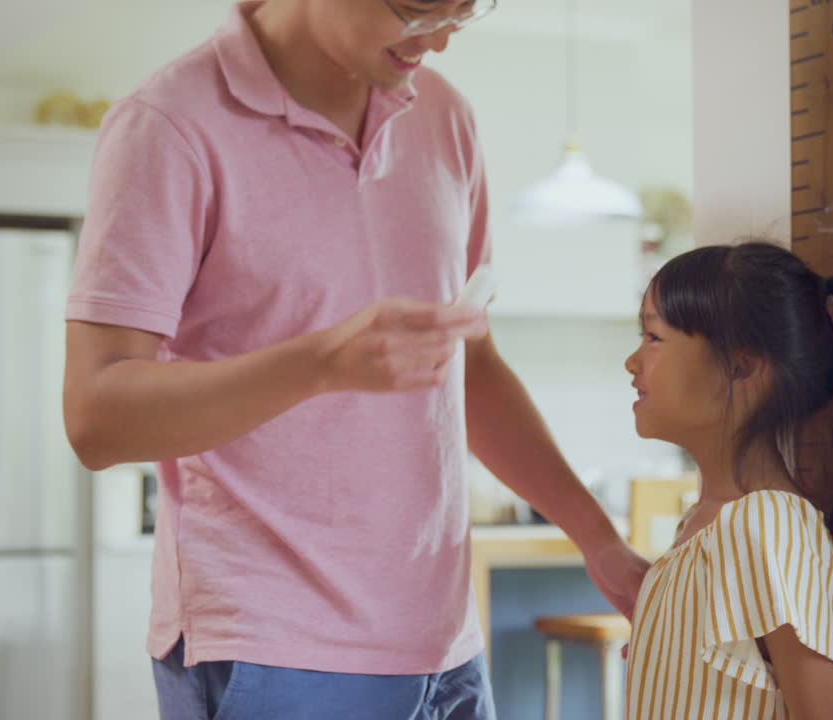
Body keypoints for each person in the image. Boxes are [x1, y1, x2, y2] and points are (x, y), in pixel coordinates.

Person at [61, 1, 648, 717]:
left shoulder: (445, 118)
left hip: (448, 650)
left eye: (462, 14)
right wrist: (320, 364)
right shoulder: (170, 125)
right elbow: (97, 415)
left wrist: (598, 538)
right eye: (415, 10)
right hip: (275, 650)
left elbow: (472, 366)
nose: (436, 42)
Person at [621, 242, 833, 719]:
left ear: (742, 366)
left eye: (653, 338)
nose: (632, 362)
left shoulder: (769, 524)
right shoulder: (702, 527)